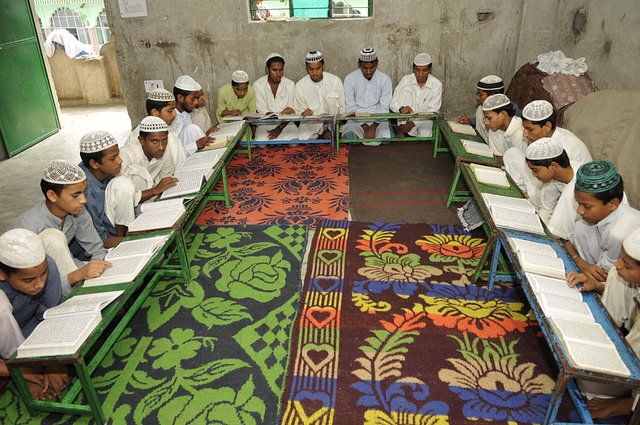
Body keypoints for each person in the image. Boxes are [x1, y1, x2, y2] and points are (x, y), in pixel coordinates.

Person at [566, 228, 640, 420]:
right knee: (616, 273)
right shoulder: (621, 271)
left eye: (629, 266)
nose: (618, 263)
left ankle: (630, 403)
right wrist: (598, 285)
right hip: (631, 346)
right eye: (620, 257)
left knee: (587, 382)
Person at [9, 161, 110, 298]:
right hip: (41, 285)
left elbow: (97, 249)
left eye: (84, 193)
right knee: (52, 237)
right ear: (52, 196)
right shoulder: (28, 229)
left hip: (71, 268)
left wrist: (98, 269)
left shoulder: (77, 210)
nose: (83, 200)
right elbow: (30, 285)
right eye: (76, 195)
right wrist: (78, 276)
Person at [0, 229, 68, 400]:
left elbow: (50, 317)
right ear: (2, 274)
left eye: (43, 274)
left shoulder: (48, 266)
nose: (39, 284)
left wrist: (52, 362)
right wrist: (20, 371)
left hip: (29, 331)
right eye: (28, 280)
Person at [565, 160, 640, 281]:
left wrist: (585, 270)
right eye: (578, 203)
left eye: (587, 206)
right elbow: (568, 243)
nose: (579, 211)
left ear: (613, 204)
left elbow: (603, 276)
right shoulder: (592, 217)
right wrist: (579, 262)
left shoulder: (618, 234)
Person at [504, 100, 592, 200]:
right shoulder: (542, 139)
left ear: (547, 126)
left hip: (566, 195)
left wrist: (529, 195)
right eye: (524, 128)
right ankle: (520, 194)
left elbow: (556, 183)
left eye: (530, 129)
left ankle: (525, 199)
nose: (525, 134)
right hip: (543, 180)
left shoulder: (566, 149)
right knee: (512, 153)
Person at [79, 131, 139, 249]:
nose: (120, 161)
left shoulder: (103, 172)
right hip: (98, 245)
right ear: (94, 163)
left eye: (118, 155)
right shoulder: (84, 192)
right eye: (113, 158)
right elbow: (100, 240)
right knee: (123, 184)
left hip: (111, 229)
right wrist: (134, 241)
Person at [525, 138, 581, 239]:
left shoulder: (577, 185)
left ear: (553, 166)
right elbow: (546, 210)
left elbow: (557, 233)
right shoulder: (553, 177)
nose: (534, 175)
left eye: (535, 170)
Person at [119, 116, 179, 201]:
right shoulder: (126, 155)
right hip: (126, 207)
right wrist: (154, 191)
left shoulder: (166, 151)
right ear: (141, 140)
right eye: (155, 141)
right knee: (137, 171)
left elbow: (164, 182)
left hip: (149, 202)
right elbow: (120, 196)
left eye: (164, 140)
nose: (161, 147)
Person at [342, 47, 393, 146]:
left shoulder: (385, 79)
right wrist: (365, 127)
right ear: (359, 64)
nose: (369, 71)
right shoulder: (350, 79)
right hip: (355, 119)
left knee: (387, 139)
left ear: (377, 63)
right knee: (350, 139)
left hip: (379, 119)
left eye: (372, 67)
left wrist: (373, 127)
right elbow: (350, 107)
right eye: (365, 68)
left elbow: (384, 107)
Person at [127, 88, 187, 172]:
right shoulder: (135, 138)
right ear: (155, 112)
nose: (175, 114)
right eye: (170, 110)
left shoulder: (170, 131)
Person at [293, 50, 345, 140]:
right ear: (306, 68)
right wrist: (303, 112)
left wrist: (331, 128)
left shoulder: (335, 81)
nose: (315, 72)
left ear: (323, 66)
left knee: (331, 98)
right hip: (312, 122)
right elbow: (298, 110)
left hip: (332, 121)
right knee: (302, 138)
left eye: (318, 68)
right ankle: (320, 134)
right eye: (311, 69)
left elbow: (342, 108)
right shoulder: (300, 85)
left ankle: (332, 130)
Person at [390, 52, 442, 138]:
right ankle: (401, 129)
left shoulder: (436, 85)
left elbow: (433, 110)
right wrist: (401, 108)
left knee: (425, 137)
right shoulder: (406, 80)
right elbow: (393, 102)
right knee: (405, 90)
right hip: (406, 117)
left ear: (430, 69)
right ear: (413, 69)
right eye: (417, 70)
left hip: (425, 119)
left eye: (424, 70)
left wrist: (413, 123)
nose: (420, 74)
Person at [457, 75, 521, 142]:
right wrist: (470, 121)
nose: (477, 97)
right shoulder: (482, 108)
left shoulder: (511, 113)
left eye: (480, 95)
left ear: (492, 96)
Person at [254, 53, 299, 141]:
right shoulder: (258, 85)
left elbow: (291, 111)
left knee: (294, 142)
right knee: (260, 143)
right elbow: (262, 111)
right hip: (265, 124)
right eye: (274, 70)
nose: (278, 74)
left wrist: (279, 129)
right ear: (267, 70)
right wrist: (281, 113)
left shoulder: (290, 84)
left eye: (281, 70)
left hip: (286, 123)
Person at [172, 75, 217, 155]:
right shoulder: (170, 117)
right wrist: (196, 144)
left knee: (192, 129)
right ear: (180, 98)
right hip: (175, 160)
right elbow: (173, 153)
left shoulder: (186, 113)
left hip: (185, 154)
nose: (196, 102)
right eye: (193, 99)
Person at [482, 93, 528, 165]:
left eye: (489, 118)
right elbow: (499, 159)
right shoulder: (495, 129)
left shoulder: (520, 132)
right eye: (485, 118)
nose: (486, 122)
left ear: (503, 115)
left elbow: (521, 165)